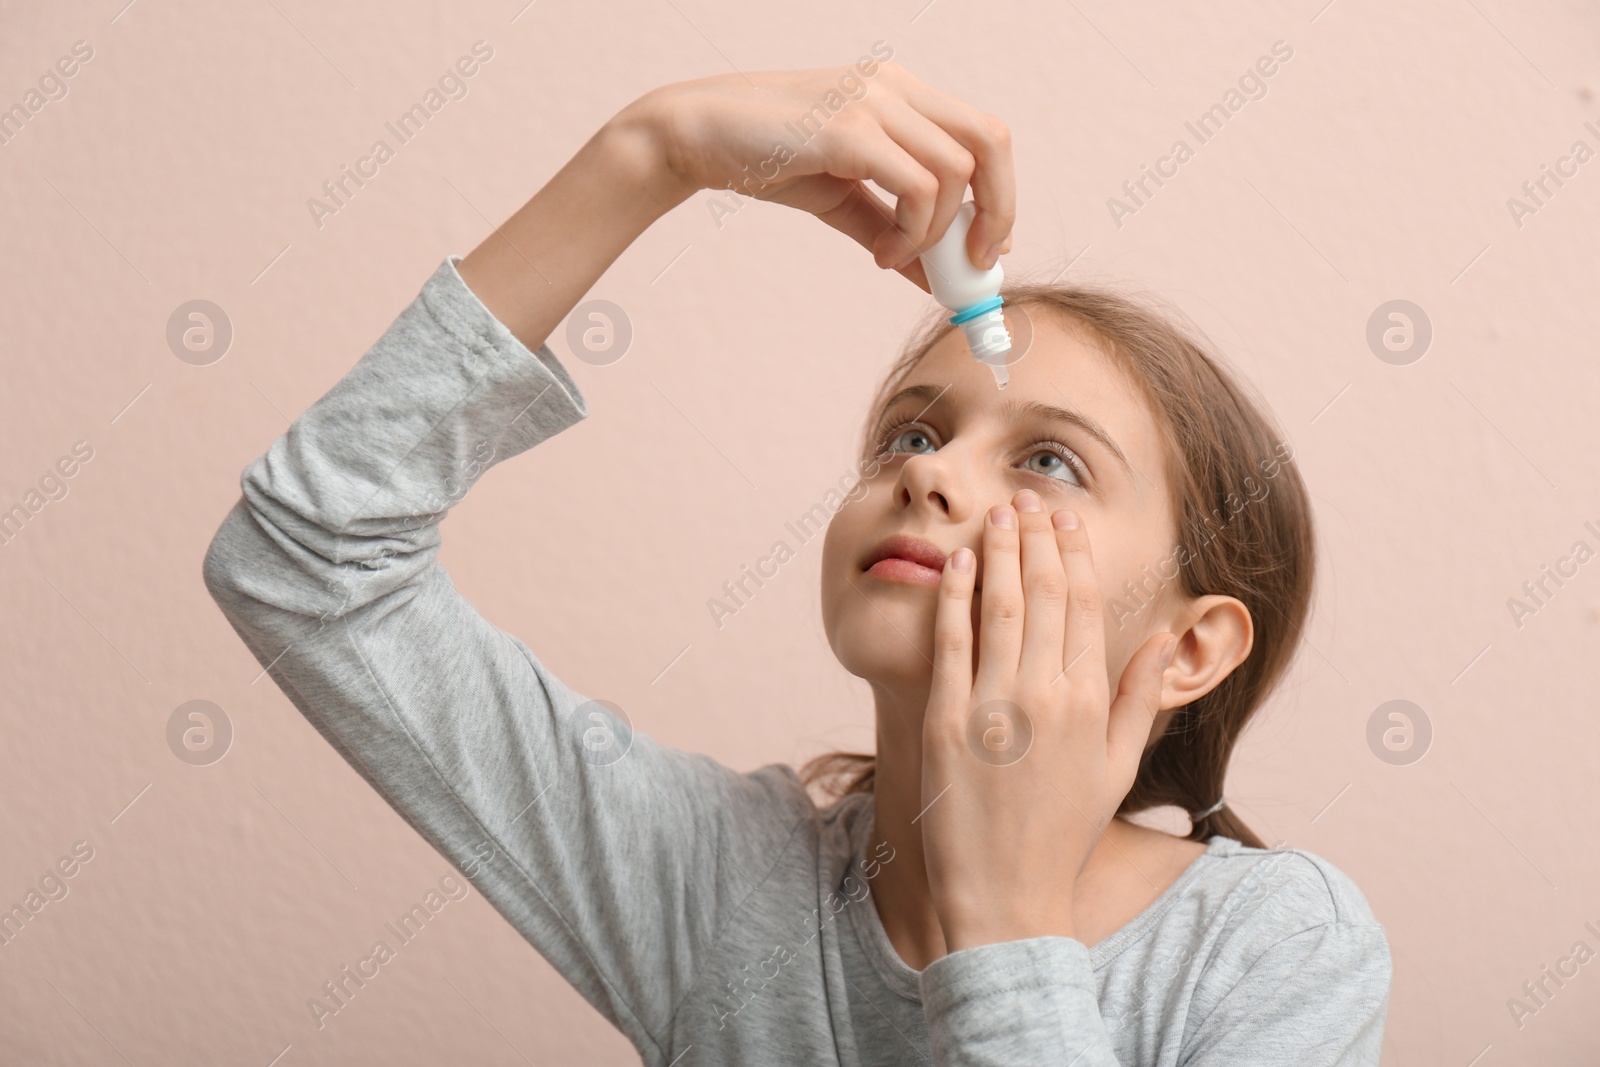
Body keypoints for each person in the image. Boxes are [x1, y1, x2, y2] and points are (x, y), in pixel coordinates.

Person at [203, 61, 1391, 1065]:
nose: (927, 475)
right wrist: (653, 151)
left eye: (1050, 462)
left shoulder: (1278, 946)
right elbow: (307, 558)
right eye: (912, 433)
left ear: (1190, 645)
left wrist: (1005, 932)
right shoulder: (719, 885)